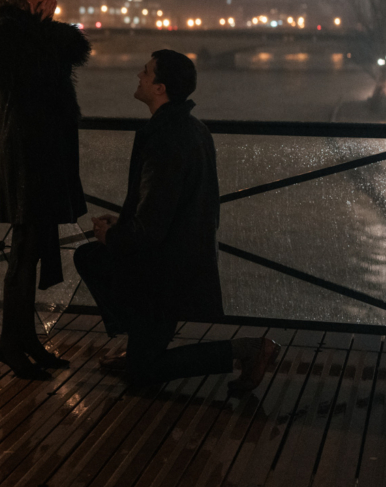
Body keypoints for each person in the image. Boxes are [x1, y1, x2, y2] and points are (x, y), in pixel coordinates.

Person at [74, 49, 277, 395]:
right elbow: (167, 207)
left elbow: (152, 227)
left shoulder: (165, 138)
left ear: (159, 88)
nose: (138, 74)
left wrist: (113, 236)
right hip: (185, 258)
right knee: (92, 258)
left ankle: (245, 349)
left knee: (142, 371)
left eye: (146, 72)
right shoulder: (192, 128)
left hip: (164, 271)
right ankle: (141, 341)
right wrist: (122, 223)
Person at [0, 0, 91, 379]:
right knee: (24, 250)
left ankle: (24, 339)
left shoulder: (21, 28)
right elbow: (37, 76)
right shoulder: (8, 27)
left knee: (32, 247)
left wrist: (44, 27)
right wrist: (47, 26)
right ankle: (10, 343)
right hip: (27, 148)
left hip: (39, 147)